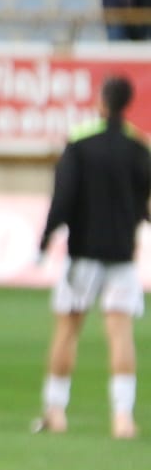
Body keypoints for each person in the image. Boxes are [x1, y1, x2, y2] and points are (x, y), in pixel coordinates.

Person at [35, 76, 151, 439]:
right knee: (120, 333)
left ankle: (55, 411)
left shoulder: (80, 143)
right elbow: (144, 202)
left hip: (83, 251)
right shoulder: (137, 146)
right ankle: (123, 418)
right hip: (121, 253)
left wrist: (46, 235)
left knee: (68, 330)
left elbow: (64, 196)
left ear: (102, 101)